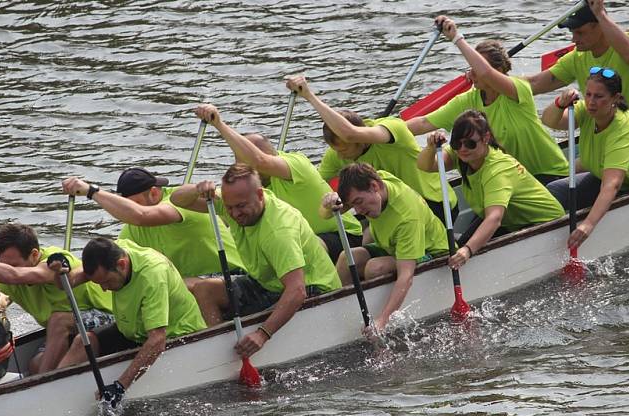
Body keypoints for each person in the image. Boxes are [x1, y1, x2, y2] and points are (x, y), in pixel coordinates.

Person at [171, 164, 341, 359]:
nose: (234, 214)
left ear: (260, 195)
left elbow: (297, 291)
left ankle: (238, 349)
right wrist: (196, 189)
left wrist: (262, 334)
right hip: (268, 283)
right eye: (229, 207)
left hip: (314, 289)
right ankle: (218, 352)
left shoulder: (278, 231)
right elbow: (178, 200)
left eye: (241, 207)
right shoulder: (236, 199)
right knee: (204, 289)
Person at [0, 223, 114, 375]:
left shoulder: (56, 261)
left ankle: (44, 386)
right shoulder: (9, 278)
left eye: (13, 265)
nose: (6, 269)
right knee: (33, 365)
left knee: (58, 320)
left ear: (34, 254)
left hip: (108, 320)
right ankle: (52, 376)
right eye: (2, 264)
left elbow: (15, 275)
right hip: (69, 330)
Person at [407, 16, 569, 184]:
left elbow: (486, 74)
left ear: (498, 70)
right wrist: (386, 131)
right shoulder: (468, 101)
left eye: (476, 67)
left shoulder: (517, 89)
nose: (472, 72)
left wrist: (456, 38)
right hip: (513, 182)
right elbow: (424, 123)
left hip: (550, 175)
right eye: (471, 67)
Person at [193, 103, 364, 262]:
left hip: (342, 236)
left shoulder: (296, 165)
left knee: (304, 245)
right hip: (295, 243)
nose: (244, 173)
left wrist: (219, 125)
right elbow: (188, 202)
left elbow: (260, 161)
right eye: (240, 165)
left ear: (271, 156)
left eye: (247, 165)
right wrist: (197, 190)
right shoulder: (248, 186)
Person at [284, 75, 457, 223]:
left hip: (435, 204)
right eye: (334, 149)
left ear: (359, 140)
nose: (338, 155)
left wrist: (308, 95)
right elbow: (321, 203)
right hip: (390, 212)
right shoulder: (336, 153)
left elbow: (350, 134)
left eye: (343, 148)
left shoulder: (390, 128)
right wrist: (328, 206)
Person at [53, 237, 207, 403]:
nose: (104, 289)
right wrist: (61, 272)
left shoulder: (153, 275)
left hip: (174, 335)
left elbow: (157, 340)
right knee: (82, 341)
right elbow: (67, 284)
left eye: (106, 282)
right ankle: (52, 396)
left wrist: (120, 387)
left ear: (122, 265)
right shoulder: (115, 251)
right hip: (134, 330)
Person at [417, 111, 565, 270]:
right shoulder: (461, 155)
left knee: (466, 248)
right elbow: (426, 166)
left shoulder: (498, 170)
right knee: (460, 246)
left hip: (545, 223)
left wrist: (467, 251)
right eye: (456, 144)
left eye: (470, 144)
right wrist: (431, 148)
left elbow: (494, 219)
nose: (462, 149)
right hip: (512, 221)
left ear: (486, 138)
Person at [61, 167, 245, 288]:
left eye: (134, 204)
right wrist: (70, 277)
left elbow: (141, 215)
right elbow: (110, 259)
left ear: (154, 193)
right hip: (190, 284)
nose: (129, 211)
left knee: (165, 286)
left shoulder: (180, 201)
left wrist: (91, 191)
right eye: (126, 205)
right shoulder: (133, 227)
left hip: (232, 277)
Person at [541, 68, 629, 250]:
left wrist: (587, 225)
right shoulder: (585, 111)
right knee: (554, 190)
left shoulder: (625, 129)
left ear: (615, 98)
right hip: (605, 176)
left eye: (599, 97)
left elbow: (612, 185)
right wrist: (560, 103)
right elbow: (550, 121)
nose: (591, 102)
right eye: (588, 94)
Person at [320, 163, 448, 333]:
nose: (358, 210)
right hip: (393, 246)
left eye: (359, 202)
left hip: (433, 252)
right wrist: (328, 206)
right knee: (346, 257)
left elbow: (406, 277)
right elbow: (325, 215)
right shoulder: (377, 180)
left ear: (374, 187)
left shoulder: (407, 218)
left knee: (375, 267)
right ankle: (341, 317)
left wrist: (383, 321)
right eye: (353, 205)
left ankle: (376, 318)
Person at [526, 0, 629, 146]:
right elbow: (535, 84)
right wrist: (499, 79)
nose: (573, 39)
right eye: (572, 33)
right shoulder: (576, 57)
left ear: (600, 27)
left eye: (580, 33)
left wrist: (600, 13)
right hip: (613, 138)